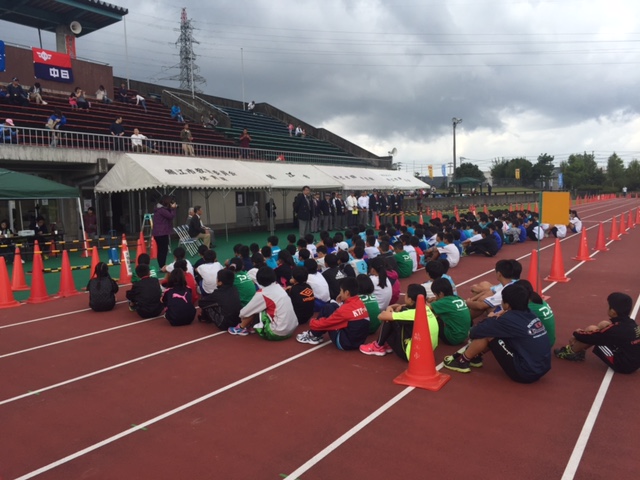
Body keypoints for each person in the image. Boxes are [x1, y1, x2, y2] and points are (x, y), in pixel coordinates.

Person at [444, 283, 551, 383]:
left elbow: (474, 332)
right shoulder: (530, 313)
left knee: (489, 333)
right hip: (542, 367)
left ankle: (462, 362)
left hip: (525, 373)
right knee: (498, 331)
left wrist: (490, 318)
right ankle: (475, 357)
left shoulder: (508, 320)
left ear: (507, 305)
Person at [555, 292, 640, 373]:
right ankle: (578, 350)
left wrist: (576, 333)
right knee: (603, 324)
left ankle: (571, 353)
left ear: (613, 312)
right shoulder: (630, 323)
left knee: (594, 335)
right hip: (633, 361)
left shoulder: (616, 330)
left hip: (624, 366)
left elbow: (591, 337)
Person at [359, 284, 438, 359]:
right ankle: (388, 344)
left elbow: (381, 316)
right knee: (400, 318)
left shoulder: (412, 313)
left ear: (410, 300)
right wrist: (395, 307)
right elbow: (403, 306)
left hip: (413, 355)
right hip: (428, 352)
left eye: (406, 294)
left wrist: (389, 309)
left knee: (389, 320)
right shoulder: (426, 308)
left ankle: (378, 346)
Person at [296, 277, 370, 350]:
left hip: (344, 344)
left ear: (347, 293)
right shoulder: (360, 303)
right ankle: (315, 334)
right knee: (333, 306)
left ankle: (313, 334)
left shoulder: (344, 310)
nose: (340, 293)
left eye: (341, 291)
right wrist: (338, 303)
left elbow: (326, 324)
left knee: (328, 309)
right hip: (359, 341)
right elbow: (347, 316)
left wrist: (313, 322)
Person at [228, 266, 298, 340]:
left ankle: (241, 327)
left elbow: (244, 313)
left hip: (277, 333)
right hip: (291, 330)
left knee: (255, 308)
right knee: (262, 306)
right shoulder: (279, 288)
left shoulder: (262, 294)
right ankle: (249, 326)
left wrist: (242, 317)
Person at [430, 278, 471, 346]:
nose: (435, 297)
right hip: (464, 336)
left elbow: (426, 307)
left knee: (431, 314)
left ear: (440, 293)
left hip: (452, 338)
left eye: (435, 295)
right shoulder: (458, 298)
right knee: (443, 312)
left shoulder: (444, 302)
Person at [152, 195, 177, 269]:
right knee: (163, 250)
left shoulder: (159, 209)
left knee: (162, 249)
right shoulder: (161, 210)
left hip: (159, 233)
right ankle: (162, 266)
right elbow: (171, 216)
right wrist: (173, 209)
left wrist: (171, 208)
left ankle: (162, 265)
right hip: (161, 233)